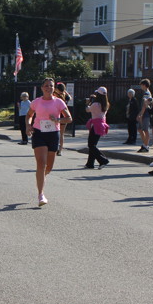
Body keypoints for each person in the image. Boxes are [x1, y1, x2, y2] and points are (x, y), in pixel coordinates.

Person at [25, 78, 72, 207]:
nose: (48, 88)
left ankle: (41, 176)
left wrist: (57, 119)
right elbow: (29, 115)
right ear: (42, 88)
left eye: (51, 86)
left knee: (49, 167)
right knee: (41, 163)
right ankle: (41, 194)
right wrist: (28, 126)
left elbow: (69, 118)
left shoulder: (59, 102)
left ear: (54, 88)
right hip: (39, 133)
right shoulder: (36, 102)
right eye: (46, 86)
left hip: (53, 134)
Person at [83, 87, 110, 169]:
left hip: (95, 125)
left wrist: (88, 103)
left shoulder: (95, 104)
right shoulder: (106, 104)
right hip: (101, 124)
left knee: (91, 145)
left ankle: (103, 160)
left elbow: (87, 110)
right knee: (93, 144)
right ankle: (90, 163)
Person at [54, 82, 72, 156]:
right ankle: (60, 150)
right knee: (61, 134)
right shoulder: (66, 96)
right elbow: (70, 97)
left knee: (54, 132)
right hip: (64, 115)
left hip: (57, 114)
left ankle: (55, 148)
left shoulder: (55, 95)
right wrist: (65, 91)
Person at [136, 79, 152, 153]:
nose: (141, 87)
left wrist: (141, 114)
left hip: (145, 114)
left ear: (144, 85)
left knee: (145, 130)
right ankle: (145, 144)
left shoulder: (146, 93)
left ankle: (146, 145)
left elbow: (145, 105)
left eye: (141, 85)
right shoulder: (147, 93)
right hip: (144, 113)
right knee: (140, 129)